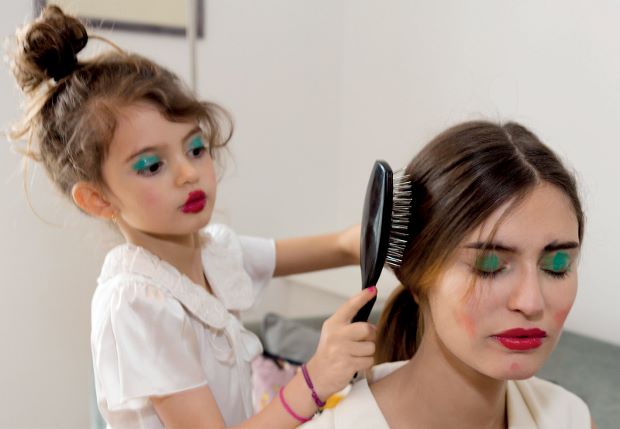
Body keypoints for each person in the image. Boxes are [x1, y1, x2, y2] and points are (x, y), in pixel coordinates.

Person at [9, 6, 377, 429]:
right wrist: (314, 381)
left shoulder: (215, 251)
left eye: (195, 148)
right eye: (152, 166)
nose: (189, 172)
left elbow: (342, 245)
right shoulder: (135, 303)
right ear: (97, 199)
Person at [301, 121, 595, 429]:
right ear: (417, 277)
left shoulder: (569, 417)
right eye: (490, 266)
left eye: (557, 265)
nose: (531, 302)